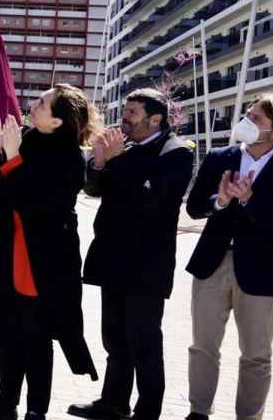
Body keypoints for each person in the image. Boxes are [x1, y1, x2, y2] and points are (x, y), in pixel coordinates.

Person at [0, 83, 99, 420]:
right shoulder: (26, 139)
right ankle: (6, 401)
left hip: (43, 260)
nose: (34, 104)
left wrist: (12, 158)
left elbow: (31, 202)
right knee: (9, 329)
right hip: (9, 249)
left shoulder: (71, 159)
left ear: (57, 121)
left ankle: (35, 409)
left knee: (36, 336)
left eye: (43, 103)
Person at [69, 89, 193, 420]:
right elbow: (94, 188)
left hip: (147, 265)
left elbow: (151, 199)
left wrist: (115, 159)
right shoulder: (121, 149)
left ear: (156, 119)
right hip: (112, 258)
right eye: (124, 110)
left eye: (133, 112)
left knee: (144, 342)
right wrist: (98, 161)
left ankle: (148, 411)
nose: (124, 118)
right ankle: (113, 403)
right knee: (115, 338)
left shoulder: (176, 152)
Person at [183, 94, 273, 420]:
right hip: (211, 263)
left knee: (256, 355)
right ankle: (198, 412)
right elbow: (195, 206)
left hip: (260, 271)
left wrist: (250, 200)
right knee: (203, 347)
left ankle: (249, 417)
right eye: (247, 114)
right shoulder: (220, 156)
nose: (246, 122)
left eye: (256, 119)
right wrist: (220, 201)